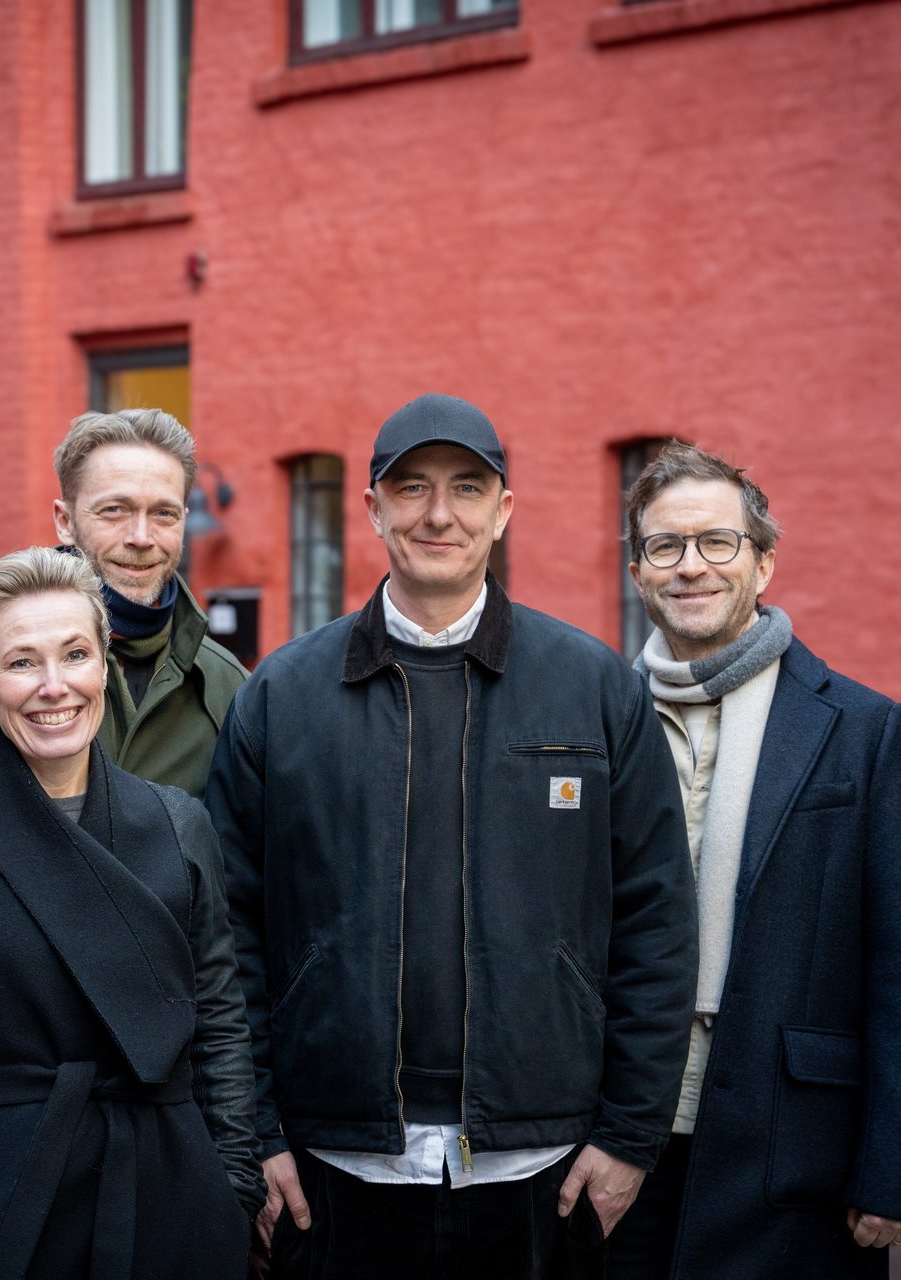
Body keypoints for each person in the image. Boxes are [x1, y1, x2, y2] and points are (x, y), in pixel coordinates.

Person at [208, 393, 698, 1278]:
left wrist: (630, 1136)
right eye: (412, 488)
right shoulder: (281, 699)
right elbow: (228, 937)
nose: (440, 514)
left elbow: (656, 920)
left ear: (504, 511)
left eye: (468, 488)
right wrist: (258, 1134)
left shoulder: (593, 689)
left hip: (540, 1167)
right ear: (371, 508)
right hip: (335, 1166)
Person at [0, 546, 264, 1279]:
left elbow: (221, 1022)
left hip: (173, 1194)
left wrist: (233, 1186)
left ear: (104, 663)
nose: (54, 687)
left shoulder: (179, 825)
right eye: (21, 663)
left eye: (75, 654)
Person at [603, 442, 901, 1279]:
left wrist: (896, 1171)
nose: (692, 567)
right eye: (666, 546)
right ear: (638, 570)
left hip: (794, 1141)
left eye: (718, 543)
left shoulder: (862, 730)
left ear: (762, 563)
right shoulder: (593, 716)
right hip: (617, 1130)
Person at [0, 408, 248, 799]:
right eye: (115, 510)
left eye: (163, 513)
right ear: (65, 520)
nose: (141, 537)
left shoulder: (228, 686)